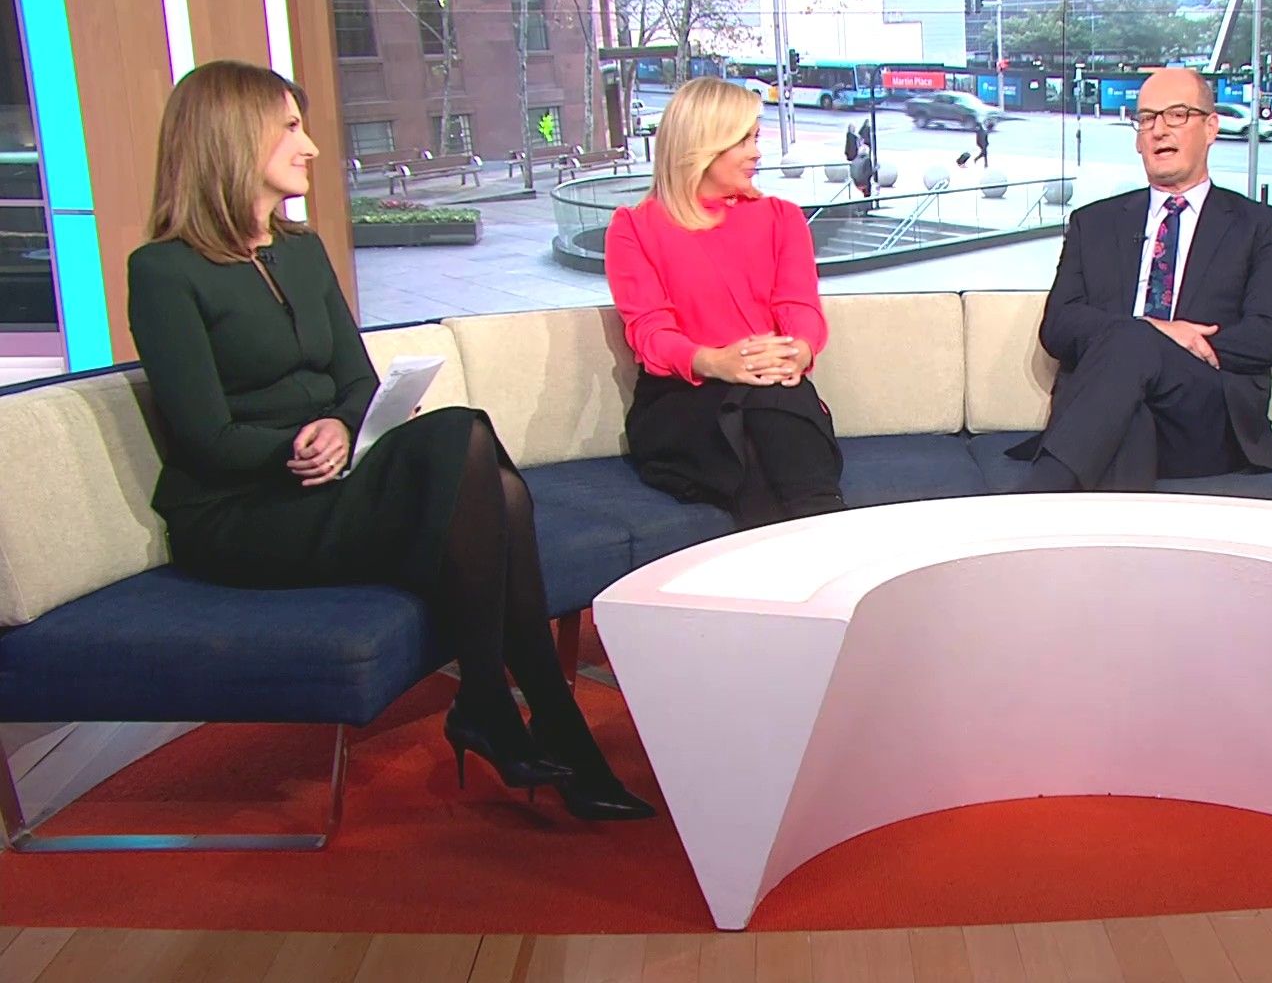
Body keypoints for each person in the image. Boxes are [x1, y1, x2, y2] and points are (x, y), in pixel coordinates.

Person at [125, 61, 652, 821]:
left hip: (331, 482)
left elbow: (354, 378)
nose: (310, 146)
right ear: (233, 138)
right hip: (243, 511)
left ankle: (508, 709)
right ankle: (525, 714)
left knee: (488, 474)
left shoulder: (301, 250)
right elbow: (204, 437)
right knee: (469, 448)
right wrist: (296, 446)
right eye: (290, 127)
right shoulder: (164, 272)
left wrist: (344, 426)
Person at [1011, 67, 1272, 491]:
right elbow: (1059, 327)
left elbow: (1265, 336)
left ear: (1211, 127)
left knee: (1134, 341)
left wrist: (1156, 342)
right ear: (1138, 139)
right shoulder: (1094, 223)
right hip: (1112, 409)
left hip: (1202, 414)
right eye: (1147, 119)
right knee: (1130, 413)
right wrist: (1158, 330)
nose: (1159, 130)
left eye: (1177, 115)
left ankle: (1037, 497)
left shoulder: (1259, 226)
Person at [605, 77, 846, 526]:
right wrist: (716, 361)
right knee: (757, 424)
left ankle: (799, 547)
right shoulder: (634, 227)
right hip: (683, 397)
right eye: (743, 140)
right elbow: (650, 331)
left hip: (770, 385)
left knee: (767, 409)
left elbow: (799, 306)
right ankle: (827, 534)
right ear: (701, 145)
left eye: (755, 137)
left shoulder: (781, 218)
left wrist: (798, 351)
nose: (757, 153)